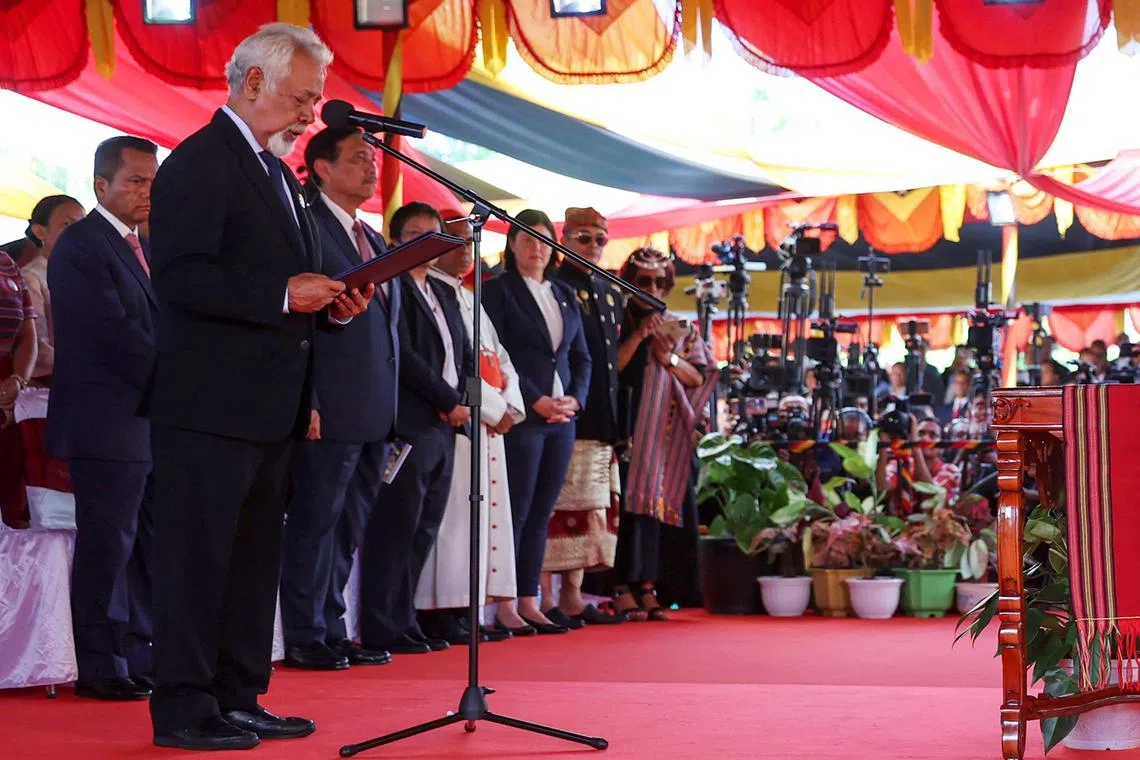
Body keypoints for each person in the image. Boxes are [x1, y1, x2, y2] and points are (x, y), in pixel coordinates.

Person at [145, 24, 371, 751]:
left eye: (315, 100)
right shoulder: (198, 163)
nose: (311, 114)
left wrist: (331, 305)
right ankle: (183, 709)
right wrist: (281, 292)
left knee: (249, 566)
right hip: (208, 407)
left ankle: (238, 695)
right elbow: (181, 278)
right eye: (303, 98)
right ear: (251, 84)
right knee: (196, 563)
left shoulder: (275, 173)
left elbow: (289, 289)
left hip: (269, 406)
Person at [278, 126, 399, 671]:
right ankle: (304, 634)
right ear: (321, 168)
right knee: (314, 523)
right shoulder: (305, 223)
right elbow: (301, 324)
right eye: (357, 159)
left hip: (374, 404)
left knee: (349, 526)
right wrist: (311, 399)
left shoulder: (368, 233)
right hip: (328, 402)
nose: (370, 168)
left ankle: (332, 625)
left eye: (372, 159)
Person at [47, 137, 159, 701]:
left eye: (152, 181)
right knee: (106, 546)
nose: (147, 192)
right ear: (102, 186)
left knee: (141, 547)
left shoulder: (146, 246)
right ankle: (99, 663)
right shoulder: (83, 246)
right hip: (106, 421)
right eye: (135, 181)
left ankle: (137, 651)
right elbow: (114, 336)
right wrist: (186, 377)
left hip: (147, 421)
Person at [358, 202, 471, 655]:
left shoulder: (442, 291)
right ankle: (382, 624)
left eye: (434, 234)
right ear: (396, 241)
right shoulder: (394, 287)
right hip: (410, 422)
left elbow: (459, 351)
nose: (426, 243)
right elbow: (403, 354)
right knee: (395, 528)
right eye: (415, 235)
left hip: (444, 427)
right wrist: (447, 400)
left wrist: (460, 399)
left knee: (423, 528)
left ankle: (405, 620)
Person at [415, 211, 521, 644]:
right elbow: (462, 365)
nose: (465, 252)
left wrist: (511, 403)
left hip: (488, 422)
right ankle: (441, 611)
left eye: (470, 244)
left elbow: (500, 359)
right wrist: (498, 410)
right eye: (455, 242)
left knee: (477, 521)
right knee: (452, 524)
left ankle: (466, 610)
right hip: (461, 419)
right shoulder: (433, 293)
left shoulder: (468, 295)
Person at [483, 209, 591, 635]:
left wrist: (574, 402)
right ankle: (504, 602)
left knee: (542, 511)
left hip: (562, 418)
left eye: (544, 239)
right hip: (524, 415)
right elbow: (498, 354)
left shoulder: (564, 294)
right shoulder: (499, 291)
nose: (537, 247)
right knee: (518, 509)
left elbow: (581, 358)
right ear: (512, 245)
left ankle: (529, 597)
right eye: (527, 239)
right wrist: (536, 399)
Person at [609, 247, 716, 621]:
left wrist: (668, 358)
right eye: (643, 281)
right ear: (628, 282)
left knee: (653, 511)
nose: (652, 288)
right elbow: (612, 368)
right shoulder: (616, 320)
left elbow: (700, 377)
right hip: (623, 431)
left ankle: (649, 586)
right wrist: (639, 336)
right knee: (624, 510)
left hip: (663, 436)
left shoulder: (681, 327)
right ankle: (620, 585)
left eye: (660, 281)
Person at [541, 207, 625, 628]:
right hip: (565, 411)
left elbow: (611, 362)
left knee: (590, 510)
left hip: (601, 418)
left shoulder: (610, 291)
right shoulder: (555, 286)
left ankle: (572, 596)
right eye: (583, 238)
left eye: (600, 239)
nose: (593, 246)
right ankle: (541, 596)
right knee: (555, 507)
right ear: (564, 239)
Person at [19, 195, 85, 384]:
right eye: (67, 224)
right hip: (52, 382)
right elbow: (37, 345)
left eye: (82, 225)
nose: (79, 233)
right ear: (40, 232)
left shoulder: (88, 273)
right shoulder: (32, 277)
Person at [0, 248, 37, 529]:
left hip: (7, 387)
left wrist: (18, 379)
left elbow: (27, 332)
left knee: (12, 490)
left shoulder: (6, 263)